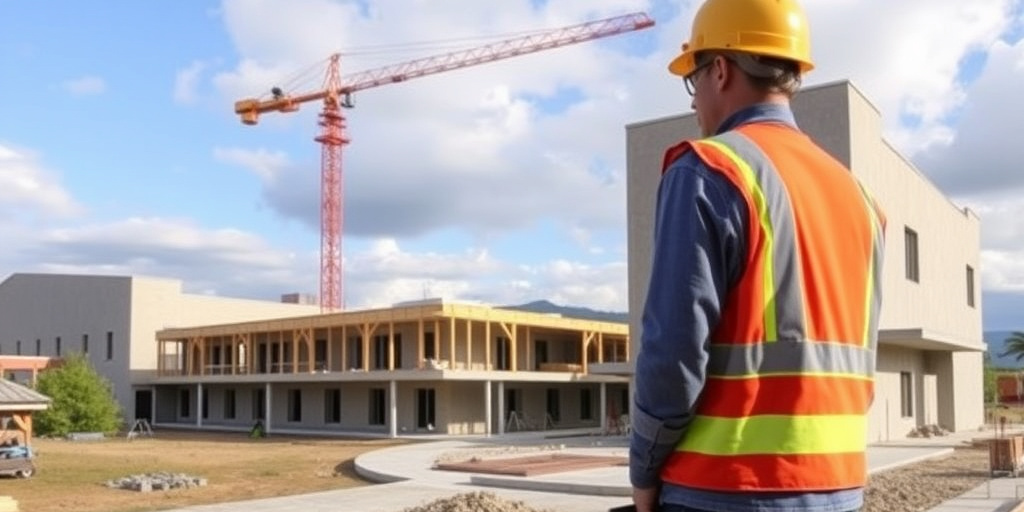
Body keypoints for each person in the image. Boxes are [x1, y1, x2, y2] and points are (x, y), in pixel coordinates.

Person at [629, 0, 887, 511]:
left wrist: (644, 473)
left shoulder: (709, 169)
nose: (694, 102)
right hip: (839, 489)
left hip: (725, 488)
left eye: (693, 80)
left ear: (720, 70)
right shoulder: (860, 199)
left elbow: (672, 357)